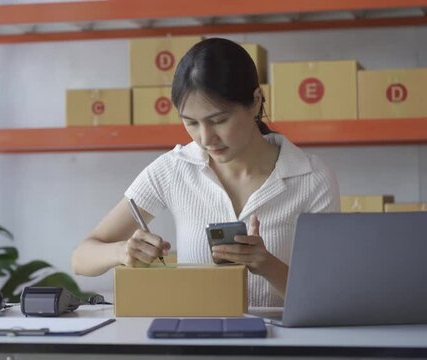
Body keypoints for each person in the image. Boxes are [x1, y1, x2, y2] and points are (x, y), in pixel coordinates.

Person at [71, 37, 340, 307]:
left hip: (281, 344)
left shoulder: (312, 177)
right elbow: (81, 258)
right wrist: (122, 250)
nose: (206, 137)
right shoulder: (174, 168)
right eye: (191, 123)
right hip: (197, 341)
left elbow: (328, 300)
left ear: (256, 102)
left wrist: (267, 265)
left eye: (219, 120)